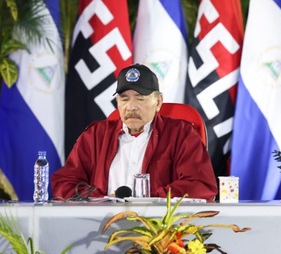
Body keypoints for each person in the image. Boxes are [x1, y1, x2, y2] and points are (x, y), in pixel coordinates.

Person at [52, 64, 218, 200]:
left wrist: (148, 199)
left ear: (158, 102)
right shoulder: (95, 135)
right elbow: (64, 182)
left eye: (140, 98)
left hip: (159, 225)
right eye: (124, 99)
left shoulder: (181, 134)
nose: (131, 107)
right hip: (101, 223)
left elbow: (201, 185)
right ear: (117, 102)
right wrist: (101, 200)